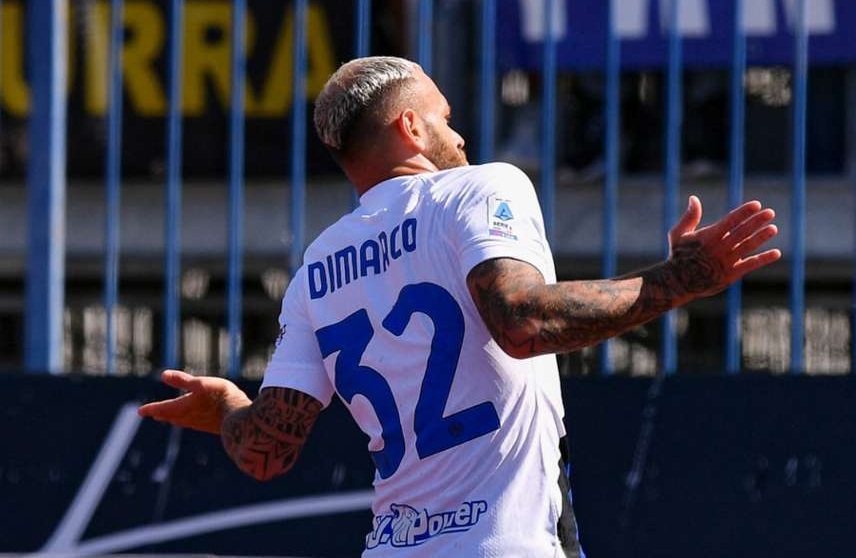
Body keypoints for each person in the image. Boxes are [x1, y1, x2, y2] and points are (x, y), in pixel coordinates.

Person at [138, 56, 781, 557]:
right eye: (445, 116)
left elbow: (265, 452)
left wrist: (226, 406)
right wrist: (680, 279)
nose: (461, 133)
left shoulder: (317, 267)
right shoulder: (478, 187)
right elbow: (524, 323)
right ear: (410, 126)